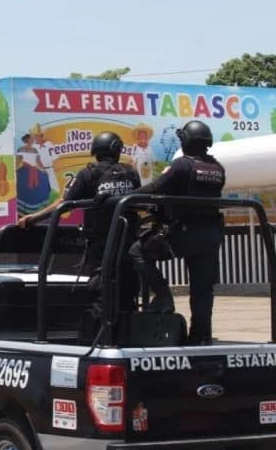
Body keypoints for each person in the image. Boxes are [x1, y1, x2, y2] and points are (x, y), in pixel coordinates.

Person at [19, 131, 141, 319]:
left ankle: (103, 337)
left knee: (102, 293)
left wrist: (33, 218)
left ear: (96, 151)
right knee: (127, 293)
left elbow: (63, 204)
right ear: (117, 150)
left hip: (101, 247)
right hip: (128, 245)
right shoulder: (131, 173)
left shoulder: (88, 174)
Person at [129, 120, 225, 344]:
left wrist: (124, 198)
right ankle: (200, 336)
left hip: (183, 232)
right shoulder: (217, 168)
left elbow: (156, 187)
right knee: (202, 290)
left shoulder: (182, 165)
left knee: (138, 252)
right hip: (211, 235)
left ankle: (163, 298)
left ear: (185, 140)